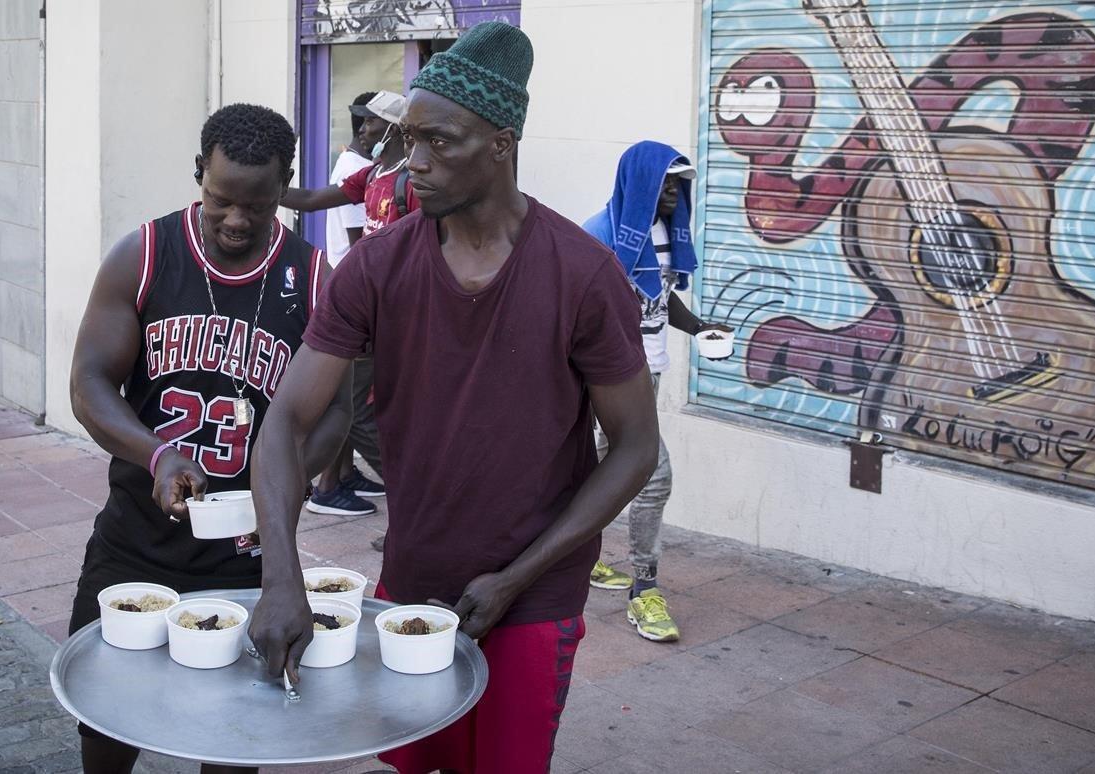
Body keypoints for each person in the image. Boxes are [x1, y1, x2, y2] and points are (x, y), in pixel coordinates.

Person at [248, 22, 660, 774]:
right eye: (410, 142)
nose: (415, 165)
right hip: (411, 584)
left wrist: (518, 575)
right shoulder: (374, 268)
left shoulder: (584, 274)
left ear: (501, 145)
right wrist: (282, 576)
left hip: (533, 595)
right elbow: (285, 425)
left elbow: (634, 448)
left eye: (440, 144)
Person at [66, 103, 351, 774]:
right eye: (221, 199)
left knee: (236, 734)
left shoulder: (313, 278)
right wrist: (156, 453)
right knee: (106, 720)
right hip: (134, 539)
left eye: (257, 205)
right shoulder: (144, 255)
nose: (236, 219)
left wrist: (280, 496)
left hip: (247, 559)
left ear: (284, 186)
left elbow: (335, 413)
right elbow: (88, 385)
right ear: (199, 173)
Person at [582, 141, 732, 643]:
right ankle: (644, 589)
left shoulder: (668, 233)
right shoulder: (600, 234)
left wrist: (701, 329)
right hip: (613, 380)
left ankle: (582, 558)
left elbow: (662, 302)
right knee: (654, 475)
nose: (673, 193)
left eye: (679, 184)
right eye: (665, 183)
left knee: (592, 467)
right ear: (641, 183)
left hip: (651, 372)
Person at [282, 90, 419, 529]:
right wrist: (261, 188)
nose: (363, 129)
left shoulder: (412, 181)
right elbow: (311, 200)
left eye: (372, 122)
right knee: (361, 405)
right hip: (367, 314)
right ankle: (408, 505)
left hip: (395, 319)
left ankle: (414, 497)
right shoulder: (374, 172)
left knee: (362, 410)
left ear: (395, 129)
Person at [324, 90, 377, 267]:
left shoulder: (356, 162)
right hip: (353, 276)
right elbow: (359, 244)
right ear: (366, 125)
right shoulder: (355, 168)